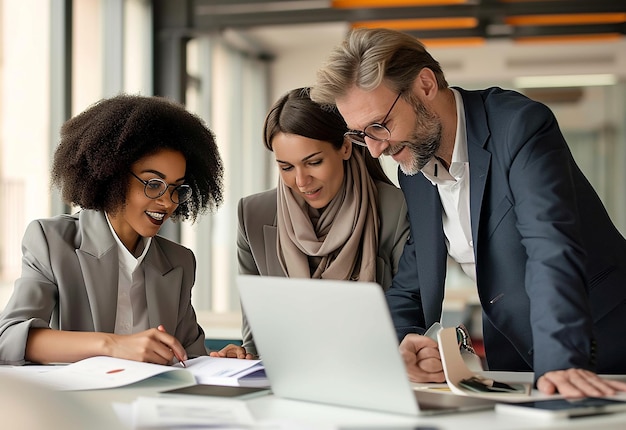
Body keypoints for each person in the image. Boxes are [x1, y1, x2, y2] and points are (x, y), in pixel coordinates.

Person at [310, 28, 626, 398]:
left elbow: (549, 245)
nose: (377, 150)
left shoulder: (519, 126)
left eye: (380, 125)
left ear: (425, 85)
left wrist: (561, 357)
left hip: (598, 343)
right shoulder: (415, 167)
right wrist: (395, 349)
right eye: (362, 135)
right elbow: (414, 278)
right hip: (514, 359)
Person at [0, 94, 224, 365]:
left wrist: (223, 360)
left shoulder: (179, 262)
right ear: (113, 175)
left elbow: (191, 356)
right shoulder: (52, 242)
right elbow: (9, 338)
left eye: (177, 188)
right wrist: (112, 345)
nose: (167, 201)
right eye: (153, 184)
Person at [211, 87, 410, 359]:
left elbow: (411, 319)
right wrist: (243, 357)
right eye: (286, 167)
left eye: (313, 162)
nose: (301, 181)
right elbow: (257, 337)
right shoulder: (253, 215)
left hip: (375, 369)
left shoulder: (395, 209)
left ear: (345, 147)